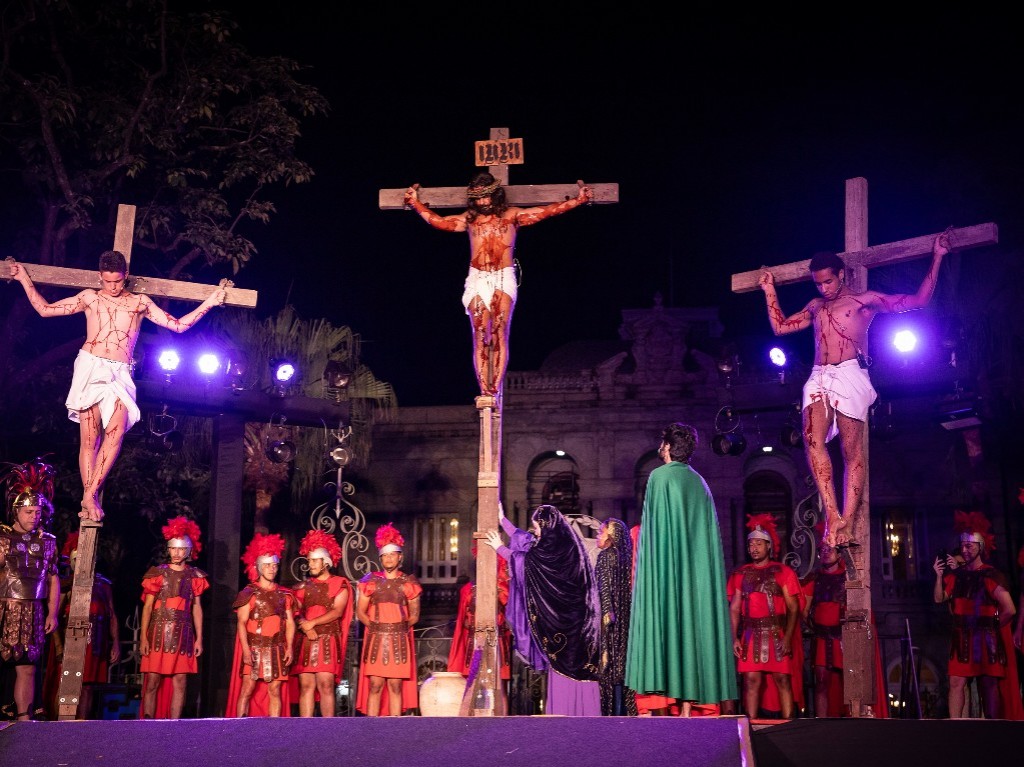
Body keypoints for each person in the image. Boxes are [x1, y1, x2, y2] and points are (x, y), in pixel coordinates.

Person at [758, 230, 951, 546]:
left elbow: (919, 300)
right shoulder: (815, 306)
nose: (824, 288)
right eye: (818, 283)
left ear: (841, 274)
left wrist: (938, 256)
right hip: (820, 374)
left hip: (851, 373)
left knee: (852, 452)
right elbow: (780, 327)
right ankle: (832, 514)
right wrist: (769, 290)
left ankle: (847, 519)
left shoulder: (865, 301)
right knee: (811, 439)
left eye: (829, 282)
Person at [8, 250, 226, 523]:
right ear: (100, 276)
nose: (112, 287)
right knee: (90, 438)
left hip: (120, 371)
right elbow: (45, 309)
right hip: (90, 366)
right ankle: (89, 496)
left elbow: (179, 326)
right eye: (108, 281)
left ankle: (89, 494)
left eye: (118, 281)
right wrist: (23, 278)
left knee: (116, 432)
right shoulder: (90, 297)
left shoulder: (139, 303)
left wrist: (212, 301)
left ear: (125, 277)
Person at [404, 172, 592, 397]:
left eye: (487, 197)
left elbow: (546, 212)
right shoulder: (470, 219)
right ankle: (484, 388)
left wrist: (578, 200)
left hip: (503, 276)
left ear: (496, 195)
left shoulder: (512, 215)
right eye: (478, 199)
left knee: (499, 331)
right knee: (480, 334)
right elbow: (441, 222)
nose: (483, 203)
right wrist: (415, 203)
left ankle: (494, 388)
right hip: (477, 277)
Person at [625, 423, 737, 717]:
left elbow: (654, 532)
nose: (659, 448)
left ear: (668, 448)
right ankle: (687, 709)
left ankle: (661, 700)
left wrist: (651, 575)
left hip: (666, 572)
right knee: (690, 626)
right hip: (693, 578)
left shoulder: (659, 478)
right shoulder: (700, 482)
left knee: (668, 624)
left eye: (662, 444)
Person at [484, 503, 602, 716]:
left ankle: (565, 712)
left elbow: (527, 562)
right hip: (582, 623)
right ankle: (586, 712)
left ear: (547, 526)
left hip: (565, 625)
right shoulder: (567, 545)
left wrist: (499, 548)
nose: (535, 532)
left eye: (537, 527)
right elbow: (527, 542)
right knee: (581, 666)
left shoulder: (552, 552)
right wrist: (503, 520)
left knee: (565, 665)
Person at [932, 510, 1022, 719]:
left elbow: (1010, 608)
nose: (964, 550)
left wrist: (995, 626)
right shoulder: (957, 576)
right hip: (961, 636)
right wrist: (938, 577)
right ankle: (955, 727)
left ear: (980, 547)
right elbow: (939, 598)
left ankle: (991, 730)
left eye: (969, 546)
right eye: (963, 546)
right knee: (955, 682)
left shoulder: (991, 575)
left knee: (988, 684)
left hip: (985, 638)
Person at [0, 458, 60, 721]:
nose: (34, 517)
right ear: (16, 512)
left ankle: (24, 721)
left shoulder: (47, 543)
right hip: (5, 607)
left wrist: (52, 613)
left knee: (27, 667)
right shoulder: (2, 539)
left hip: (33, 609)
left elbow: (53, 579)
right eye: (28, 512)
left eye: (37, 512)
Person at [728, 514, 801, 720]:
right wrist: (734, 637)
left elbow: (793, 608)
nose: (754, 548)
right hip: (751, 635)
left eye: (759, 544)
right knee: (751, 681)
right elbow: (734, 609)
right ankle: (750, 725)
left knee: (782, 680)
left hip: (776, 633)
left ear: (768, 546)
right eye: (751, 544)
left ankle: (788, 725)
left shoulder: (783, 572)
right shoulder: (740, 574)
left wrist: (787, 637)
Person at [44, 532, 120, 720]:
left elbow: (111, 614)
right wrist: (60, 648)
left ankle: (82, 723)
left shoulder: (103, 585)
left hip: (95, 641)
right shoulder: (66, 586)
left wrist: (115, 642)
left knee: (87, 684)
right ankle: (63, 720)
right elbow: (55, 616)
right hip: (71, 641)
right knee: (68, 682)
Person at [139, 516, 208, 719]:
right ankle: (148, 721)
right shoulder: (157, 574)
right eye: (173, 549)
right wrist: (143, 637)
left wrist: (199, 638)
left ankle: (175, 724)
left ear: (187, 551)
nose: (176, 553)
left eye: (180, 549)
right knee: (152, 680)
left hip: (183, 634)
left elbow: (197, 608)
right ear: (168, 550)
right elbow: (148, 607)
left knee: (181, 681)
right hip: (158, 633)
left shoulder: (195, 576)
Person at [355, 524, 422, 716]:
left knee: (395, 686)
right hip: (376, 639)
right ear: (381, 558)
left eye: (393, 554)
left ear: (400, 557)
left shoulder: (409, 583)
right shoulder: (370, 581)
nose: (389, 558)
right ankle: (371, 730)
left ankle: (395, 730)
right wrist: (375, 628)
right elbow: (360, 612)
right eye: (385, 555)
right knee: (375, 685)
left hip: (399, 641)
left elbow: (415, 615)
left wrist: (397, 629)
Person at [226, 533, 295, 718]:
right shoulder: (249, 593)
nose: (271, 569)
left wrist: (289, 648)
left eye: (274, 565)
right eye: (267, 565)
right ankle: (240, 728)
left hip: (277, 649)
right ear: (258, 567)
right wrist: (246, 651)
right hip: (255, 648)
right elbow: (241, 623)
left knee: (275, 690)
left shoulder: (284, 595)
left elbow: (290, 623)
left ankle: (274, 731)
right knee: (247, 689)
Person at [293, 529, 353, 718]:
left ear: (325, 562)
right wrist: (304, 625)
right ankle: (305, 729)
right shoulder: (303, 587)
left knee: (326, 684)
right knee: (306, 685)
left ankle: (328, 730)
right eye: (309, 560)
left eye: (313, 560)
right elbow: (295, 610)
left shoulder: (340, 583)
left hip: (327, 638)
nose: (309, 564)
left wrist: (312, 623)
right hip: (307, 640)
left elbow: (338, 611)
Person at [446, 543, 512, 684]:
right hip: (475, 642)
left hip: (497, 640)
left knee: (498, 685)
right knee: (474, 683)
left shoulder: (503, 589)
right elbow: (462, 621)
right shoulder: (468, 590)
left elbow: (509, 616)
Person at [595, 518, 637, 716]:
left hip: (609, 619)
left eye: (601, 532)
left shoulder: (605, 556)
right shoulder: (623, 557)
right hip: (624, 618)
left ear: (610, 536)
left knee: (609, 667)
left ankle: (613, 713)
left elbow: (604, 588)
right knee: (621, 666)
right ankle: (624, 710)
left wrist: (606, 613)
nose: (597, 535)